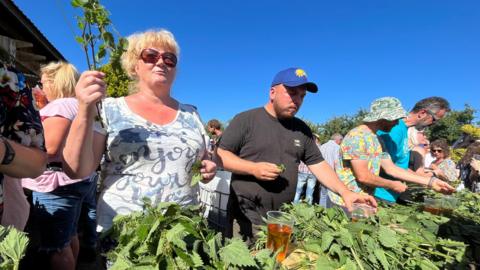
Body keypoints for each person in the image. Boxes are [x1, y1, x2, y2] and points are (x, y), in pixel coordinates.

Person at [62, 29, 217, 233]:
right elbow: (77, 170)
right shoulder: (109, 109)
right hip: (125, 233)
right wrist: (84, 109)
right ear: (135, 66)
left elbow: (205, 159)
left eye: (169, 58)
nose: (161, 62)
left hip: (181, 230)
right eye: (151, 56)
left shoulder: (192, 114)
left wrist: (208, 168)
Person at [217, 67, 377, 243]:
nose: (297, 100)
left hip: (281, 218)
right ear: (272, 93)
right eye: (291, 92)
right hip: (246, 216)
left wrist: (346, 192)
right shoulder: (246, 120)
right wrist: (253, 168)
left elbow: (319, 165)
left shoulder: (302, 130)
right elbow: (220, 155)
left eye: (302, 96)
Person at [21, 62, 99, 270]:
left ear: (56, 83)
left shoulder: (60, 106)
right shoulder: (79, 105)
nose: (41, 86)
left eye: (44, 82)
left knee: (56, 247)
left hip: (54, 185)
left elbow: (51, 147)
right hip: (75, 180)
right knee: (69, 234)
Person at [328, 97, 455, 206]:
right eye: (394, 119)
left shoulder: (377, 139)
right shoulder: (358, 136)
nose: (396, 122)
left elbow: (390, 168)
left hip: (363, 200)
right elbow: (363, 176)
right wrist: (392, 184)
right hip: (346, 201)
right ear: (382, 118)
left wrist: (431, 182)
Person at [375, 97, 451, 202]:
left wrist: (429, 180)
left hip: (390, 195)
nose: (434, 124)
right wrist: (429, 181)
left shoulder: (403, 129)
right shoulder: (394, 130)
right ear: (422, 113)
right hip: (379, 195)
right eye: (434, 120)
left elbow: (400, 166)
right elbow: (387, 167)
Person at [0, 62, 47, 231]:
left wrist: (3, 150)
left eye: (47, 81)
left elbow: (42, 159)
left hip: (50, 183)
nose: (43, 85)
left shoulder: (10, 79)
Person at [319, 133, 343, 207]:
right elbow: (337, 163)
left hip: (321, 173)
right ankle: (329, 213)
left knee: (323, 194)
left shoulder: (322, 146)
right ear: (338, 140)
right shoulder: (337, 147)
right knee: (332, 195)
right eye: (341, 141)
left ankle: (321, 211)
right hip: (332, 174)